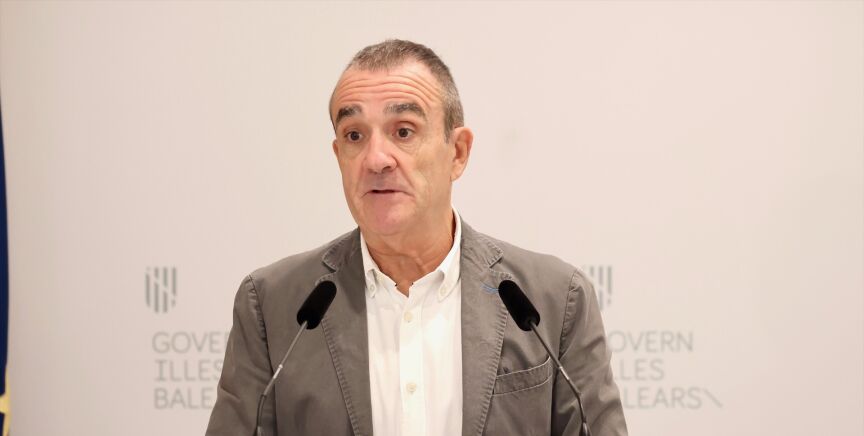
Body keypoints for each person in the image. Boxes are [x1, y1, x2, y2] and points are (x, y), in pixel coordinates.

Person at [206, 39, 628, 436]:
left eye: (403, 131)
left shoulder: (553, 300)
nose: (376, 159)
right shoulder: (275, 305)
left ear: (458, 152)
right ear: (339, 156)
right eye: (354, 135)